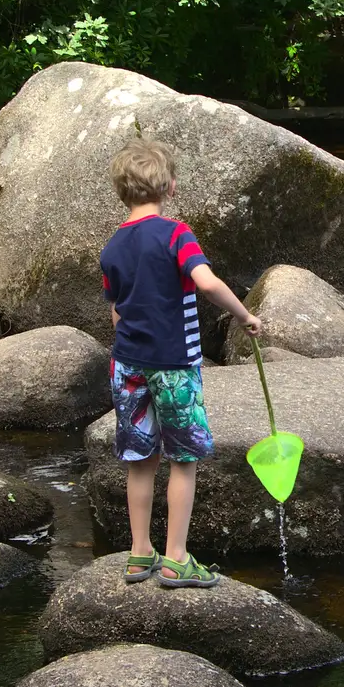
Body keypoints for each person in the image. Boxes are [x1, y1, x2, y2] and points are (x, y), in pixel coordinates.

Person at [101, 139, 262, 587]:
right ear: (169, 187)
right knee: (183, 459)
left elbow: (116, 311)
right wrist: (244, 314)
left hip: (127, 365)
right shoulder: (176, 234)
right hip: (174, 366)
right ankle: (175, 558)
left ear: (122, 192)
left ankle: (138, 555)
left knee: (139, 460)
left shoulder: (113, 247)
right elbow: (205, 281)